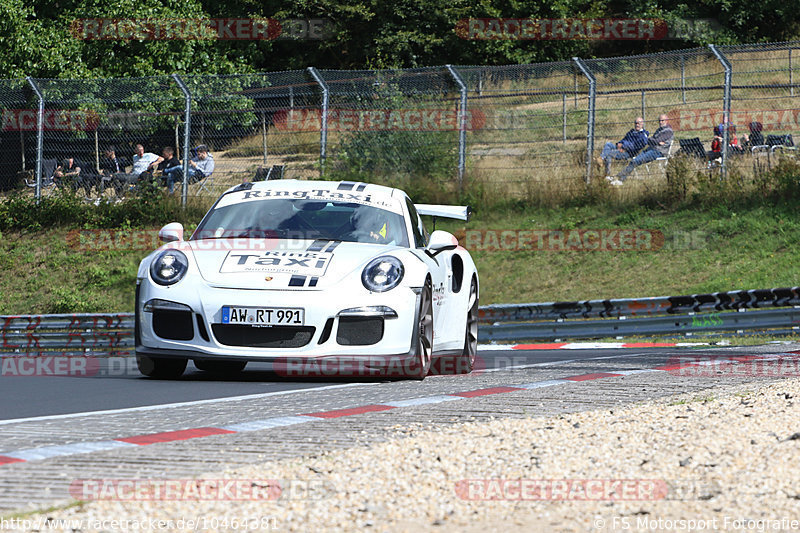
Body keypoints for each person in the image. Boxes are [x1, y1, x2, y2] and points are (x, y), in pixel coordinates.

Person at [614, 114, 673, 184]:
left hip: (658, 152)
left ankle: (620, 179)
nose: (660, 122)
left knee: (635, 162)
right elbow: (651, 141)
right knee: (633, 161)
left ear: (667, 121)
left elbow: (655, 140)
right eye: (659, 121)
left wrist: (654, 140)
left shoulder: (668, 131)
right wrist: (655, 141)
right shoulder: (659, 130)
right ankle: (619, 177)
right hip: (650, 149)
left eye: (662, 120)